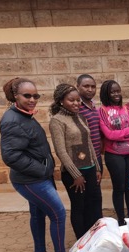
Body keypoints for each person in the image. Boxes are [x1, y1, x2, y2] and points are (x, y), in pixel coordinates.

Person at [0, 77, 71, 252]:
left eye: (36, 95)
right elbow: (11, 156)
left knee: (38, 213)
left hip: (36, 177)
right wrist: (42, 170)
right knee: (58, 213)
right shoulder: (12, 120)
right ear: (16, 96)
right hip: (31, 180)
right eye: (27, 95)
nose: (32, 99)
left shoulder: (23, 115)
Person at [49, 84, 102, 240]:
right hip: (74, 174)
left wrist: (97, 168)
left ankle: (94, 238)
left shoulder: (81, 117)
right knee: (79, 206)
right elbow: (61, 151)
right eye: (71, 100)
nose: (76, 103)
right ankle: (82, 240)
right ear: (61, 101)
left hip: (90, 168)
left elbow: (89, 143)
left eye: (78, 100)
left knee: (93, 204)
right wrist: (75, 174)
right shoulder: (57, 121)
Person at [99, 79, 129, 225]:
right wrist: (127, 132)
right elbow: (108, 135)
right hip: (114, 155)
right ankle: (121, 219)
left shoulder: (126, 109)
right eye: (113, 91)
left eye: (118, 91)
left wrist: (120, 134)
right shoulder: (102, 111)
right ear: (106, 93)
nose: (116, 94)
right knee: (119, 187)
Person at [76, 74, 103, 173]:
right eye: (86, 86)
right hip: (84, 157)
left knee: (97, 187)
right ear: (78, 87)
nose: (90, 89)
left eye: (93, 87)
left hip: (97, 155)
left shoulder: (93, 105)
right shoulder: (76, 107)